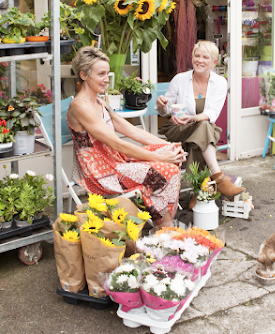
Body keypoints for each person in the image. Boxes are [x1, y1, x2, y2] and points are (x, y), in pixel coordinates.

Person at [67, 46, 186, 228]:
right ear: (84, 75)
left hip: (117, 160)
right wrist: (161, 158)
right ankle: (164, 225)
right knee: (168, 170)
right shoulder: (80, 107)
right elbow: (117, 143)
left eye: (107, 73)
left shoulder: (99, 102)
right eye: (101, 74)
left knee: (171, 154)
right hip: (102, 172)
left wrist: (171, 146)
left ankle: (160, 215)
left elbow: (133, 131)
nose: (106, 79)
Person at [157, 40, 243, 202]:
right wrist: (161, 105)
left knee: (202, 129)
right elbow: (165, 111)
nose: (200, 60)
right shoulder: (179, 79)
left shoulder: (220, 82)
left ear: (214, 62)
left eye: (205, 57)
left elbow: (212, 113)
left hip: (203, 128)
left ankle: (199, 188)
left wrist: (193, 118)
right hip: (178, 128)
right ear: (192, 58)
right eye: (197, 56)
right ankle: (218, 178)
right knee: (204, 132)